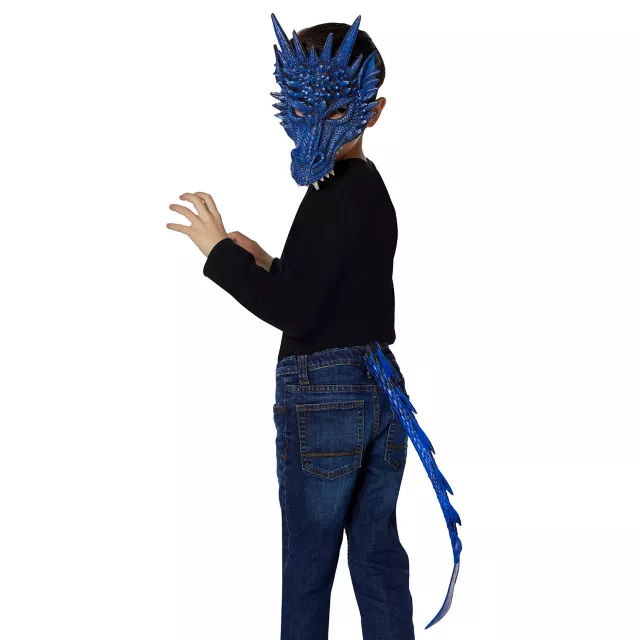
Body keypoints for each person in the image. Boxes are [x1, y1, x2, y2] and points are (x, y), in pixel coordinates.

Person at [167, 14, 461, 639]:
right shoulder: (367, 189)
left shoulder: (335, 195)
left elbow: (297, 313)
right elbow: (335, 292)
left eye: (333, 110)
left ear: (371, 112)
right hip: (377, 386)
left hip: (324, 393)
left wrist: (219, 254)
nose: (314, 125)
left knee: (308, 568)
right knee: (377, 558)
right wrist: (269, 263)